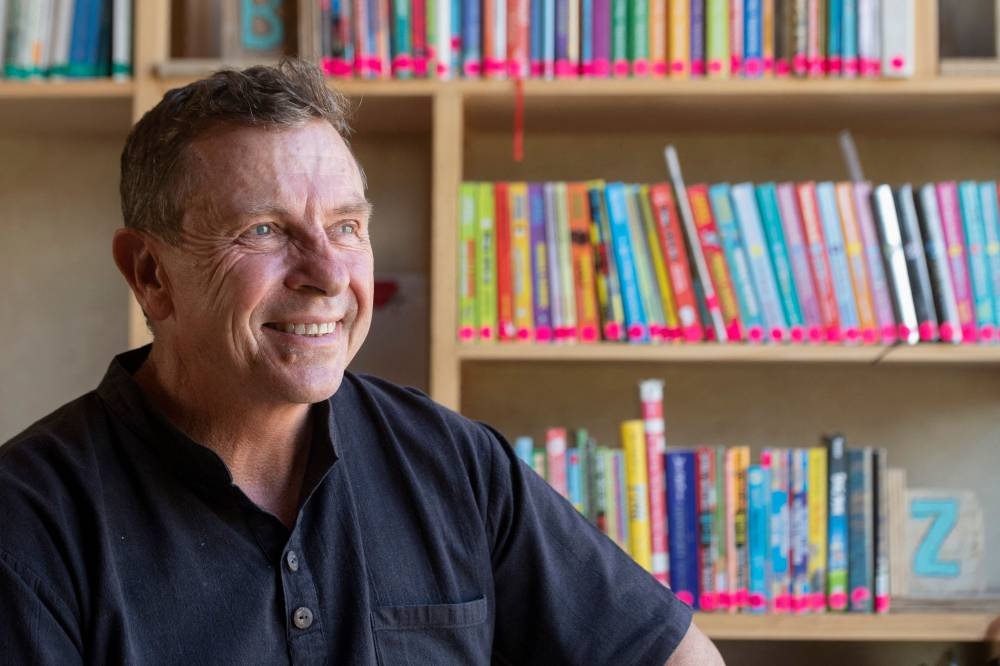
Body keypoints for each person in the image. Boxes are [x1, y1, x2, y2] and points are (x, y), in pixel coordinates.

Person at [0, 59, 724, 665]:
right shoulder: (28, 522)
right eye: (264, 230)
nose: (328, 274)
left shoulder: (453, 462)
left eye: (346, 226)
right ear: (151, 274)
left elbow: (677, 656)